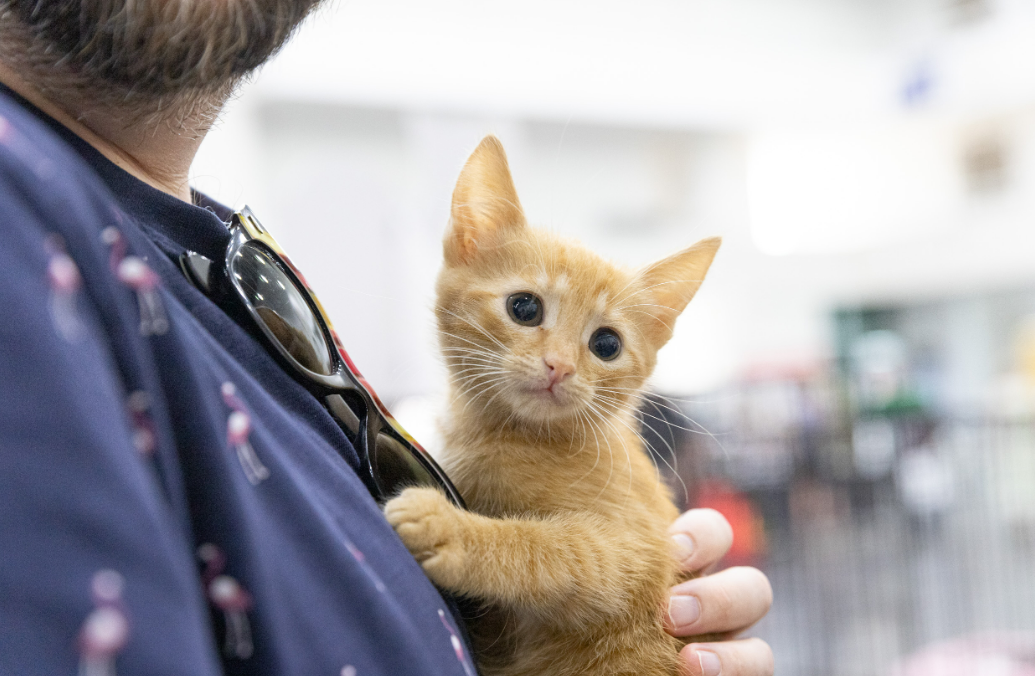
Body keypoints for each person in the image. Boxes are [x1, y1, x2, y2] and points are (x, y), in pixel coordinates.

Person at [0, 2, 774, 675]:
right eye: (528, 312)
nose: (557, 361)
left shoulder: (216, 256)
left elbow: (608, 572)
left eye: (603, 345)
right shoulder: (27, 207)